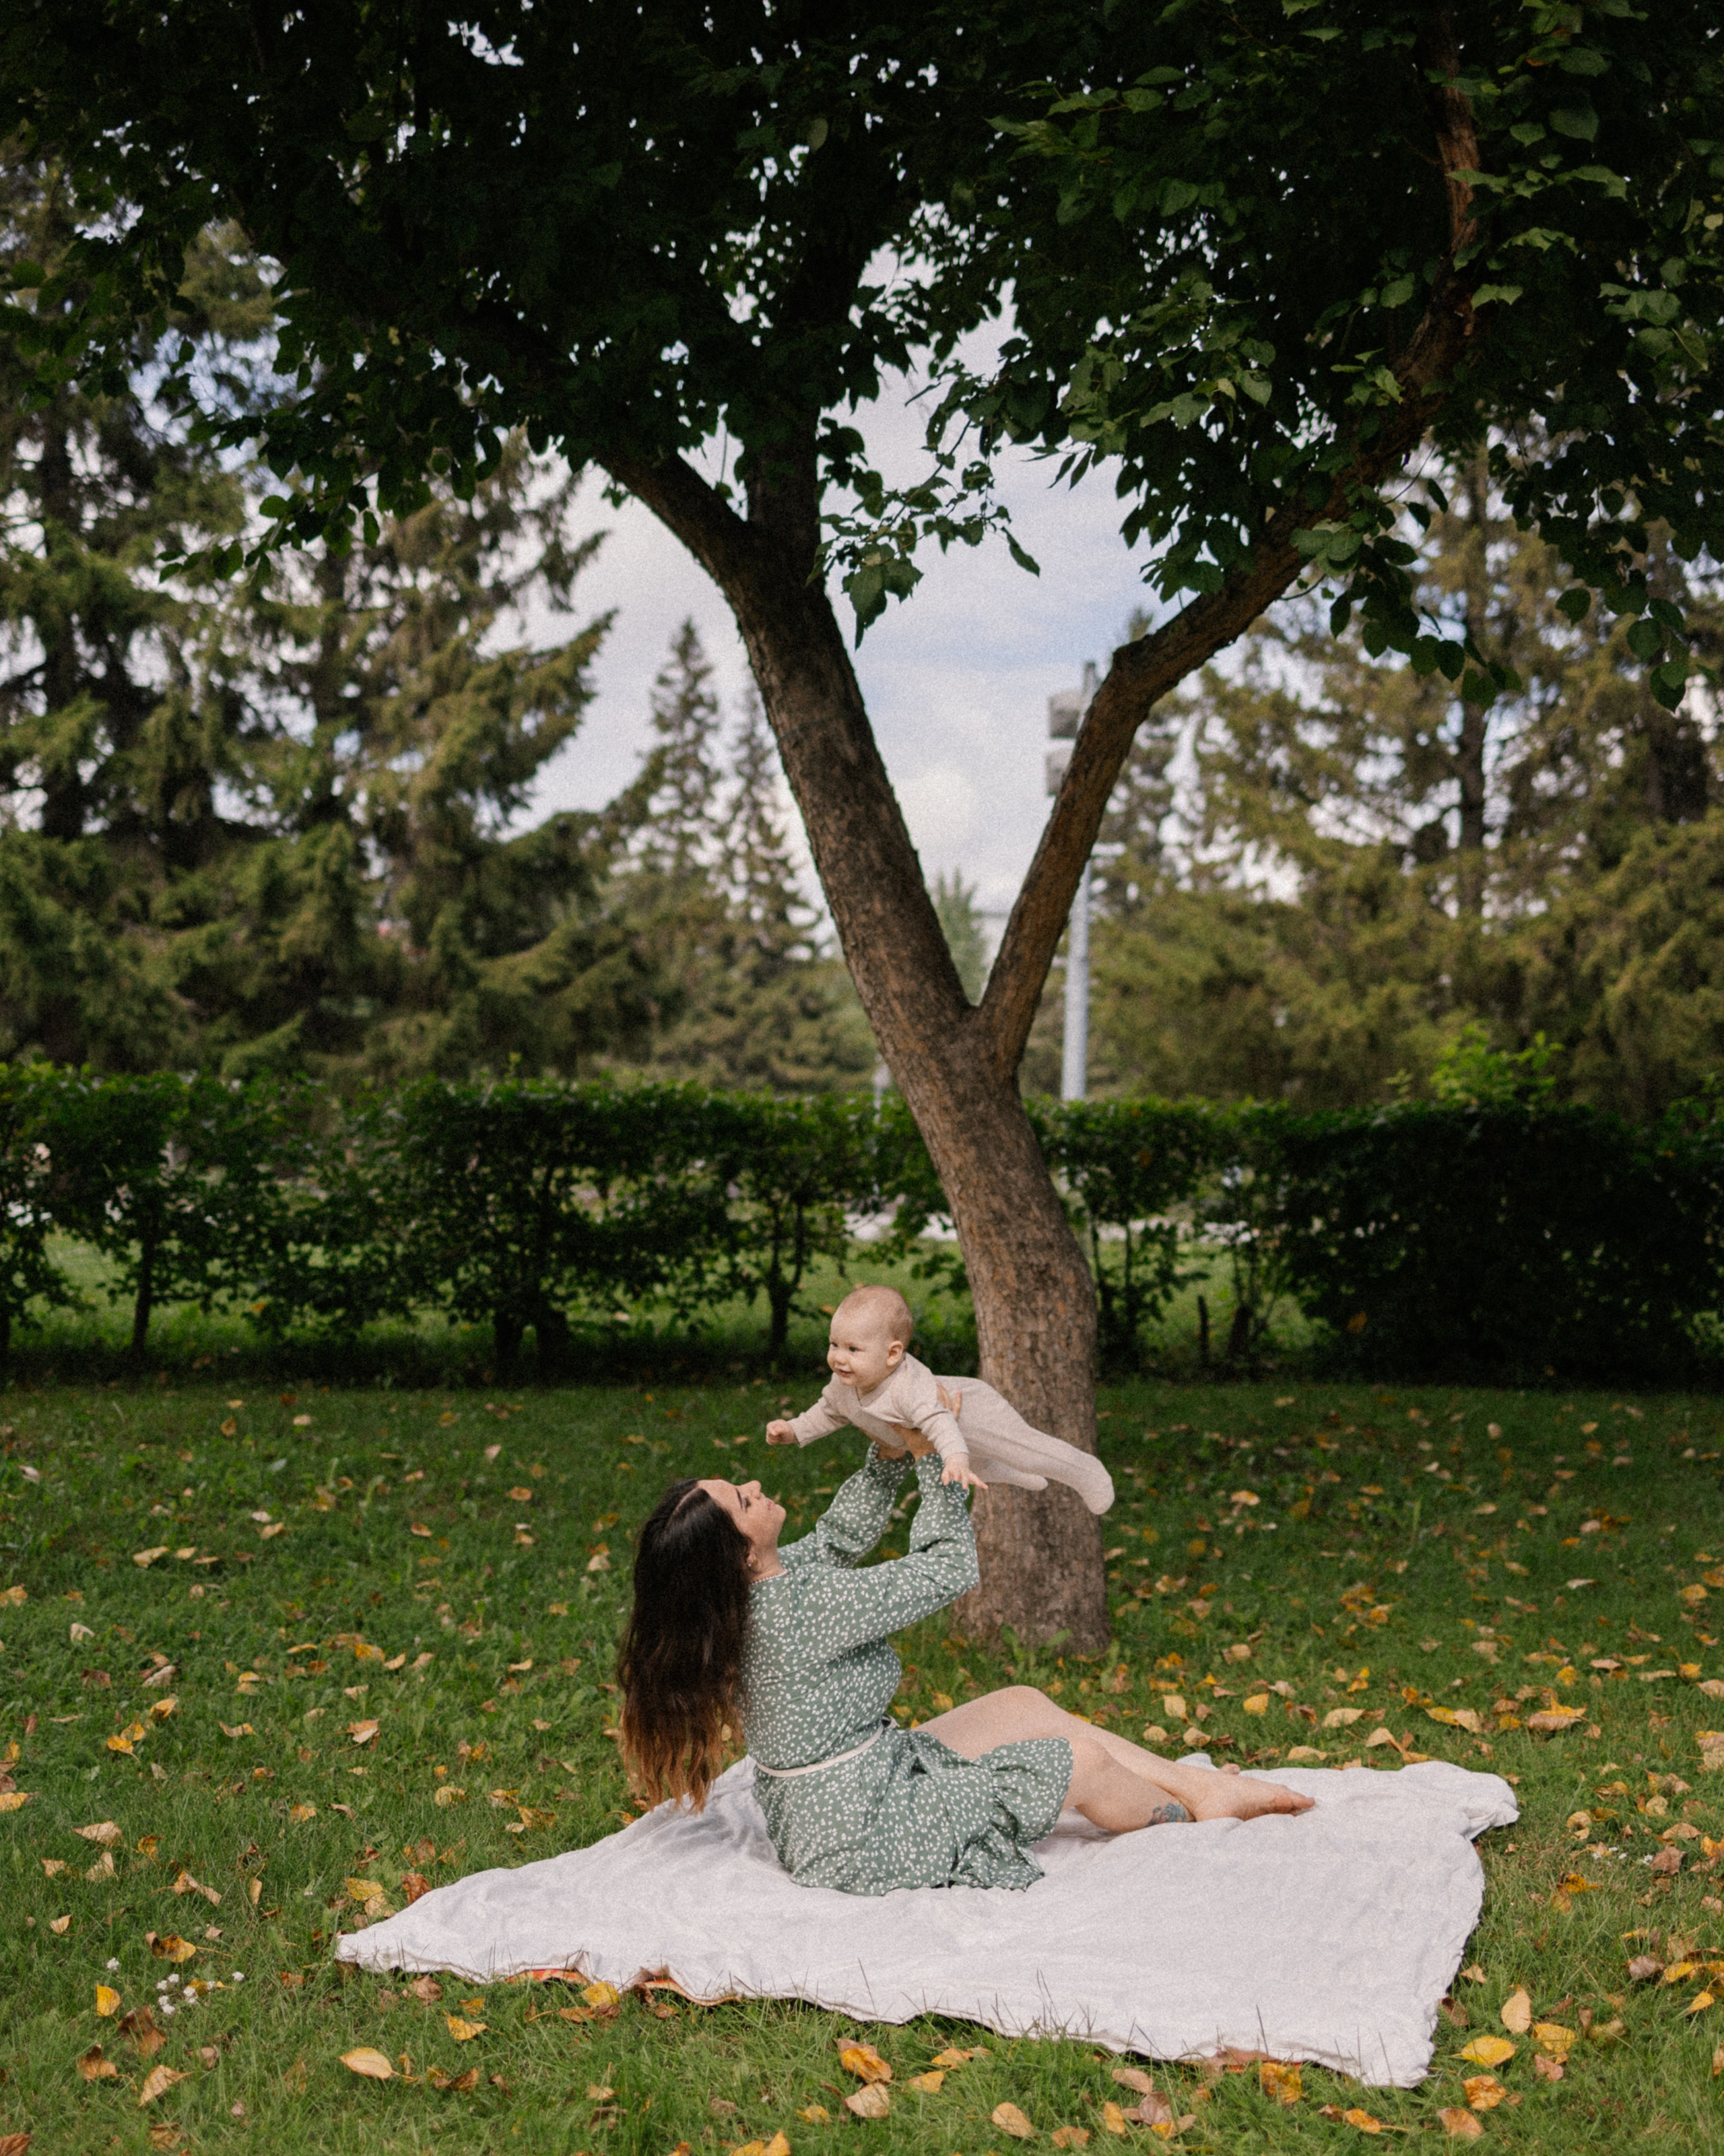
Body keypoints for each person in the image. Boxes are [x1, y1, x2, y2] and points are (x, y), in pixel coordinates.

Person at [618, 1420, 1313, 1895]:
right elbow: (948, 1569)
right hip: (863, 1838)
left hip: (850, 1790)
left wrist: (888, 1454)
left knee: (1019, 1706)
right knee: (1085, 1766)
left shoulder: (751, 1592)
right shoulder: (803, 1611)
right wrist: (939, 1466)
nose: (758, 1487)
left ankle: (1202, 1790)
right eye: (746, 1499)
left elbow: (835, 1537)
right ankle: (1188, 1819)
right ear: (743, 1552)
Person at [765, 1283, 1114, 1515]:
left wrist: (956, 1457)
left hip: (973, 1412)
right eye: (834, 1345)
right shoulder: (844, 1384)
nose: (839, 1358)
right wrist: (794, 1430)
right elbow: (827, 1413)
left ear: (892, 1354)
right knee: (980, 1467)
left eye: (853, 1349)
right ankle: (1014, 1475)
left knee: (1026, 1450)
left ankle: (1085, 1469)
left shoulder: (908, 1386)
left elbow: (941, 1422)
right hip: (945, 1440)